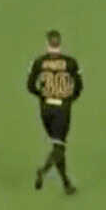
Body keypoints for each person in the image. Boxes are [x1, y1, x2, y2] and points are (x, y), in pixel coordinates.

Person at [25, 30, 83, 194]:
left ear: (47, 43)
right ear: (60, 43)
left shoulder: (38, 62)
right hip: (62, 108)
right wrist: (69, 99)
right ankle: (44, 170)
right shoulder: (70, 62)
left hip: (45, 108)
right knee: (59, 147)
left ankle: (66, 184)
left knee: (57, 146)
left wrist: (42, 96)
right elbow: (79, 87)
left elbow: (30, 86)